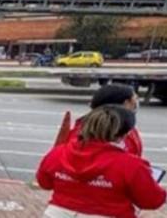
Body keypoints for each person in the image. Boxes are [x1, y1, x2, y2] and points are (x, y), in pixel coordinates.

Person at [37, 105, 165, 218]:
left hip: (58, 213)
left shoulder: (58, 153)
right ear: (125, 133)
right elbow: (152, 200)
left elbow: (45, 183)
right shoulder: (130, 165)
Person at [66, 84, 143, 156]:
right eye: (135, 99)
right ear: (126, 104)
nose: (136, 103)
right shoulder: (80, 134)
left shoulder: (127, 127)